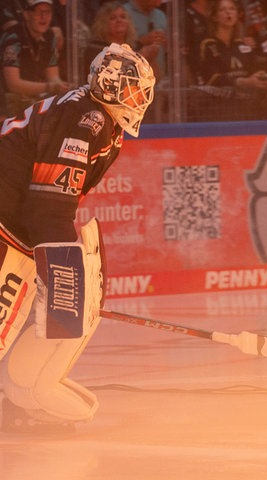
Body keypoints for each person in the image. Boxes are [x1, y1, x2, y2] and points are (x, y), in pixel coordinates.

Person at [0, 42, 155, 433]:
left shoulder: (98, 118)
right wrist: (62, 276)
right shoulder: (86, 119)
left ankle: (13, 399)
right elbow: (50, 205)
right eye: (135, 89)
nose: (142, 99)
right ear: (110, 84)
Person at [192, 0, 267, 121]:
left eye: (232, 9)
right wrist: (243, 82)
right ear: (215, 17)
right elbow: (211, 78)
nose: (228, 12)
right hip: (218, 109)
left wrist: (264, 76)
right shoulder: (207, 44)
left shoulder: (242, 45)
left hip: (245, 108)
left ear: (237, 15)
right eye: (222, 10)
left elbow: (253, 69)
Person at [0, 0, 70, 117]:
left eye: (47, 12)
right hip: (5, 103)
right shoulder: (13, 36)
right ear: (27, 14)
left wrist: (63, 87)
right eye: (39, 12)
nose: (44, 17)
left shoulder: (50, 36)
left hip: (32, 100)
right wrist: (50, 87)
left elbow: (53, 76)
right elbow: (13, 84)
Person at [83, 1, 160, 80]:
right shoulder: (94, 48)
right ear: (103, 24)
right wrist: (139, 58)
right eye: (112, 18)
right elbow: (107, 80)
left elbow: (155, 79)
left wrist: (150, 59)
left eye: (123, 17)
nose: (119, 21)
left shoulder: (136, 46)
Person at [123, 0, 168, 82]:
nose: (159, 3)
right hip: (132, 80)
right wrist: (141, 41)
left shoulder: (160, 15)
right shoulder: (122, 13)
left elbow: (169, 49)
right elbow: (115, 45)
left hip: (159, 80)